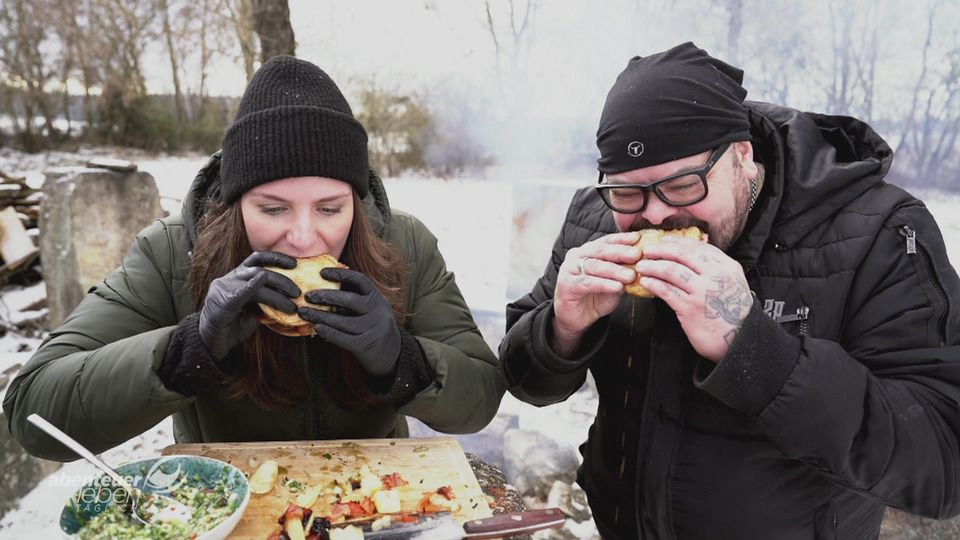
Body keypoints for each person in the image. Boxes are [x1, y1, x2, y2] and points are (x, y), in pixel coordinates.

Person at [499, 42, 960, 539]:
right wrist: (560, 329)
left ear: (742, 156)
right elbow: (526, 381)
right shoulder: (595, 220)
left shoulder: (877, 233)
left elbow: (942, 465)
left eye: (682, 185)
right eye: (629, 191)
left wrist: (755, 350)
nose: (654, 215)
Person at [5, 55, 504, 459]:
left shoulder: (406, 245)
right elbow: (34, 413)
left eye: (330, 208)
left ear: (356, 200)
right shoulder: (171, 251)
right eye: (272, 208)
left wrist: (402, 360)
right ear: (236, 202)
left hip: (374, 506)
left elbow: (480, 396)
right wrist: (187, 351)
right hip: (230, 508)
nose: (305, 237)